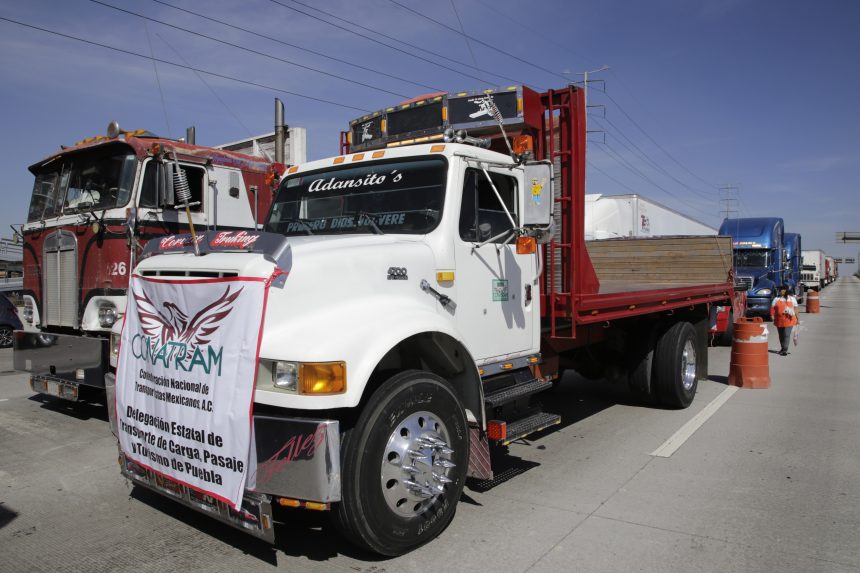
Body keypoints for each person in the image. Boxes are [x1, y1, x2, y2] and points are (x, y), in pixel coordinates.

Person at [770, 285, 799, 356]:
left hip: (789, 320)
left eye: (782, 290)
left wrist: (798, 319)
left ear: (786, 290)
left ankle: (785, 349)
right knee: (781, 335)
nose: (781, 291)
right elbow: (772, 309)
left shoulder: (792, 299)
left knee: (786, 334)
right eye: (780, 290)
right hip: (779, 320)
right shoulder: (776, 299)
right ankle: (783, 348)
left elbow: (796, 309)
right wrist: (772, 316)